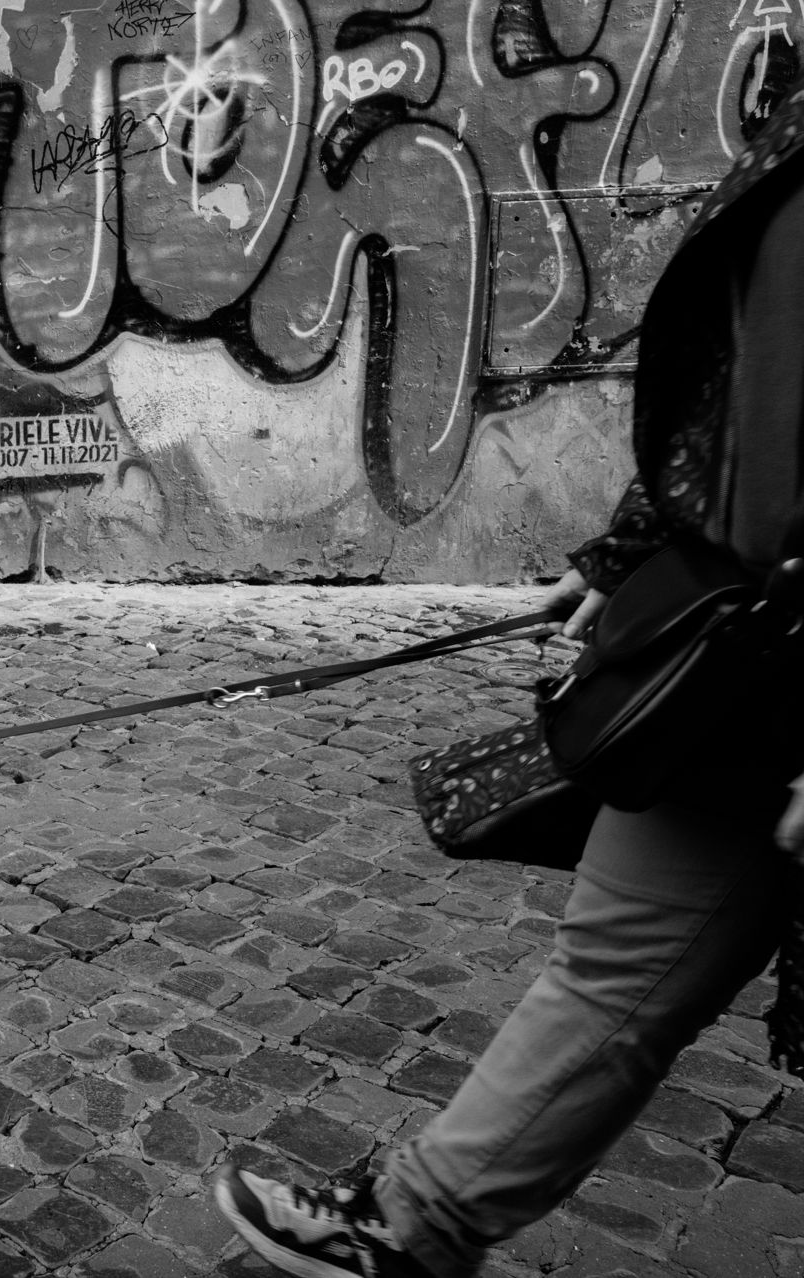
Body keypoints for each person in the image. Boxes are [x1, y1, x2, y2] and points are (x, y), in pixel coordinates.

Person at [213, 90, 804, 1278]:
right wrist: (634, 555)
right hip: (742, 656)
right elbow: (740, 394)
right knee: (615, 960)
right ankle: (415, 1228)